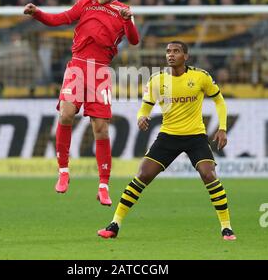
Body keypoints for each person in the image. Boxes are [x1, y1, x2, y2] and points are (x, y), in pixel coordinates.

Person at [98, 41, 236, 239]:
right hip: (168, 136)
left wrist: (222, 128)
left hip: (195, 136)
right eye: (168, 51)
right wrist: (141, 117)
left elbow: (219, 100)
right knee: (143, 175)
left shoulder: (200, 77)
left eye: (176, 51)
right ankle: (114, 225)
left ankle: (226, 227)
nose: (171, 55)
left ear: (185, 56)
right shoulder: (157, 80)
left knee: (209, 175)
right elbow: (146, 105)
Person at [24, 0, 139, 205]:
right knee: (66, 114)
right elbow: (60, 19)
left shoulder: (123, 11)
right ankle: (63, 171)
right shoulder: (86, 3)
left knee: (101, 129)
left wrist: (128, 21)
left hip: (99, 71)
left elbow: (135, 40)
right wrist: (38, 13)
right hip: (77, 67)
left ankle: (104, 185)